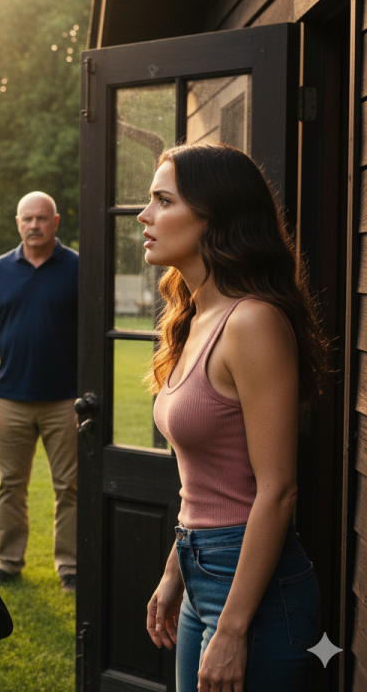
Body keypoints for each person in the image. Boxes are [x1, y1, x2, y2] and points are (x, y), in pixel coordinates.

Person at [141, 143, 328, 691]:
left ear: (212, 217)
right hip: (202, 572)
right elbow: (205, 478)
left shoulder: (253, 322)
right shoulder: (194, 315)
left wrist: (233, 628)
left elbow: (277, 490)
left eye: (162, 200)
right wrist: (176, 571)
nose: (144, 215)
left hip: (255, 593)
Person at [0, 191, 79, 593]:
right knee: (10, 484)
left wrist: (87, 394)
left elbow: (92, 334)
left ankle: (70, 565)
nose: (33, 225)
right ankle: (8, 562)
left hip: (65, 400)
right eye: (26, 219)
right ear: (18, 223)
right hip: (11, 399)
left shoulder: (77, 267)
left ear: (55, 222)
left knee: (69, 486)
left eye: (41, 218)